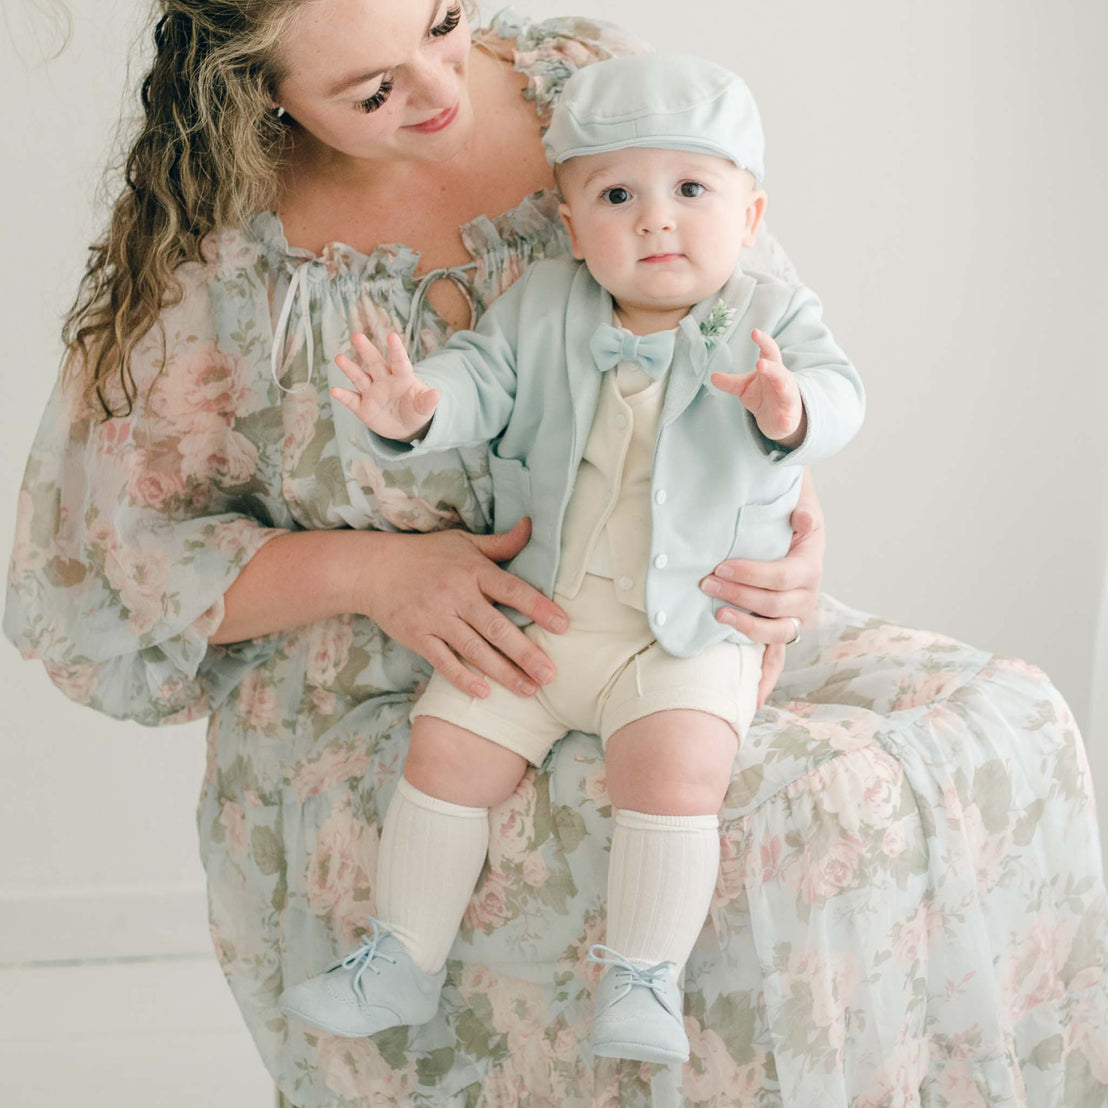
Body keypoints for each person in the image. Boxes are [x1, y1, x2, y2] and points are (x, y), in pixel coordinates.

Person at [4, 2, 1105, 1104]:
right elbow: (103, 567)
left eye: (441, 20)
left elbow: (750, 327)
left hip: (666, 604)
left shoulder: (588, 91)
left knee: (1002, 725)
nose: (442, 86)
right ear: (261, 94)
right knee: (805, 808)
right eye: (373, 91)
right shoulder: (224, 255)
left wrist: (793, 523)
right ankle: (423, 955)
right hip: (401, 691)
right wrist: (376, 569)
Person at [277, 52, 864, 1068]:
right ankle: (401, 953)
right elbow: (478, 378)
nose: (655, 220)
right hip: (544, 615)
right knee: (445, 747)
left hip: (686, 625)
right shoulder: (543, 306)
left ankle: (642, 974)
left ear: (750, 213)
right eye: (617, 194)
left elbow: (840, 394)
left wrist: (792, 410)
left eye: (691, 191)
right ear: (568, 216)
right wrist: (419, 409)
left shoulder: (769, 322)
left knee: (676, 769)